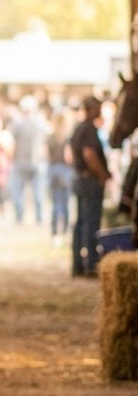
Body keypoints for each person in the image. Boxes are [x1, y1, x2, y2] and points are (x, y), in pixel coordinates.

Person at [69, 95, 110, 278]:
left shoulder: (79, 128)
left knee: (81, 223)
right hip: (90, 181)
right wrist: (102, 176)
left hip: (80, 179)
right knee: (91, 222)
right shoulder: (89, 129)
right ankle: (91, 264)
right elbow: (90, 155)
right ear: (91, 108)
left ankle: (78, 264)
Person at [8, 94, 48, 225]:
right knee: (21, 193)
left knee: (37, 193)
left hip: (34, 162)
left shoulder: (38, 122)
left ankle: (37, 217)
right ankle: (24, 217)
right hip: (23, 162)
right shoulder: (19, 123)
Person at [46, 108, 74, 245]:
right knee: (65, 203)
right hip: (65, 170)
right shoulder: (68, 137)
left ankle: (54, 232)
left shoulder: (50, 137)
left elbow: (44, 154)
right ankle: (64, 231)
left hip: (53, 169)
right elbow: (69, 157)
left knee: (55, 203)